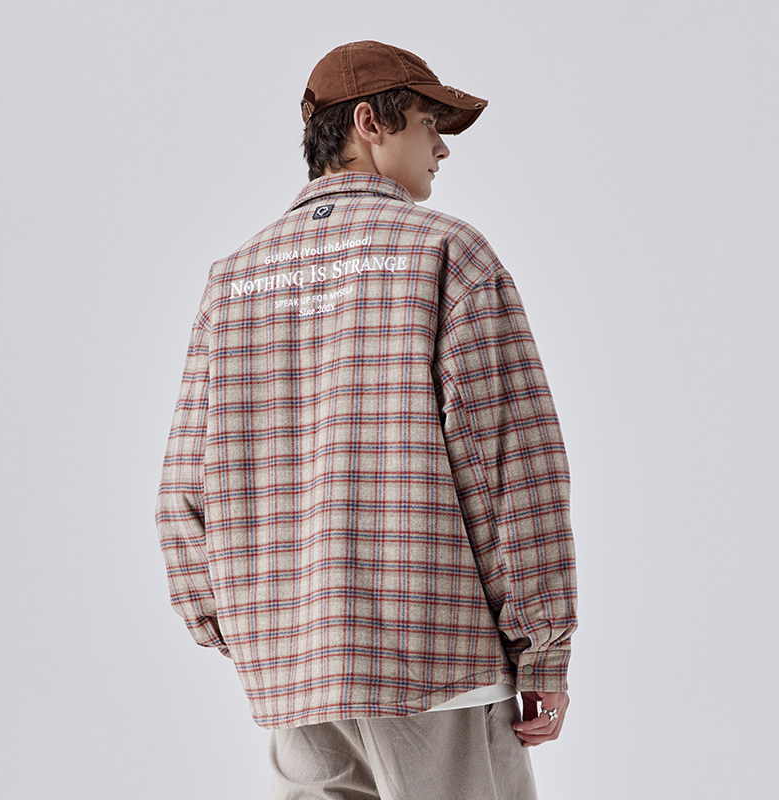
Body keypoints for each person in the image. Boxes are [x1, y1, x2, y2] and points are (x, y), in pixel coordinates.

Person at [156, 40, 577, 799]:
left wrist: (243, 627)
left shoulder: (233, 280)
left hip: (294, 673)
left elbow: (183, 492)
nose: (442, 148)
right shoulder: (446, 253)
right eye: (428, 123)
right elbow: (513, 469)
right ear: (368, 124)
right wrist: (541, 648)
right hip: (434, 658)